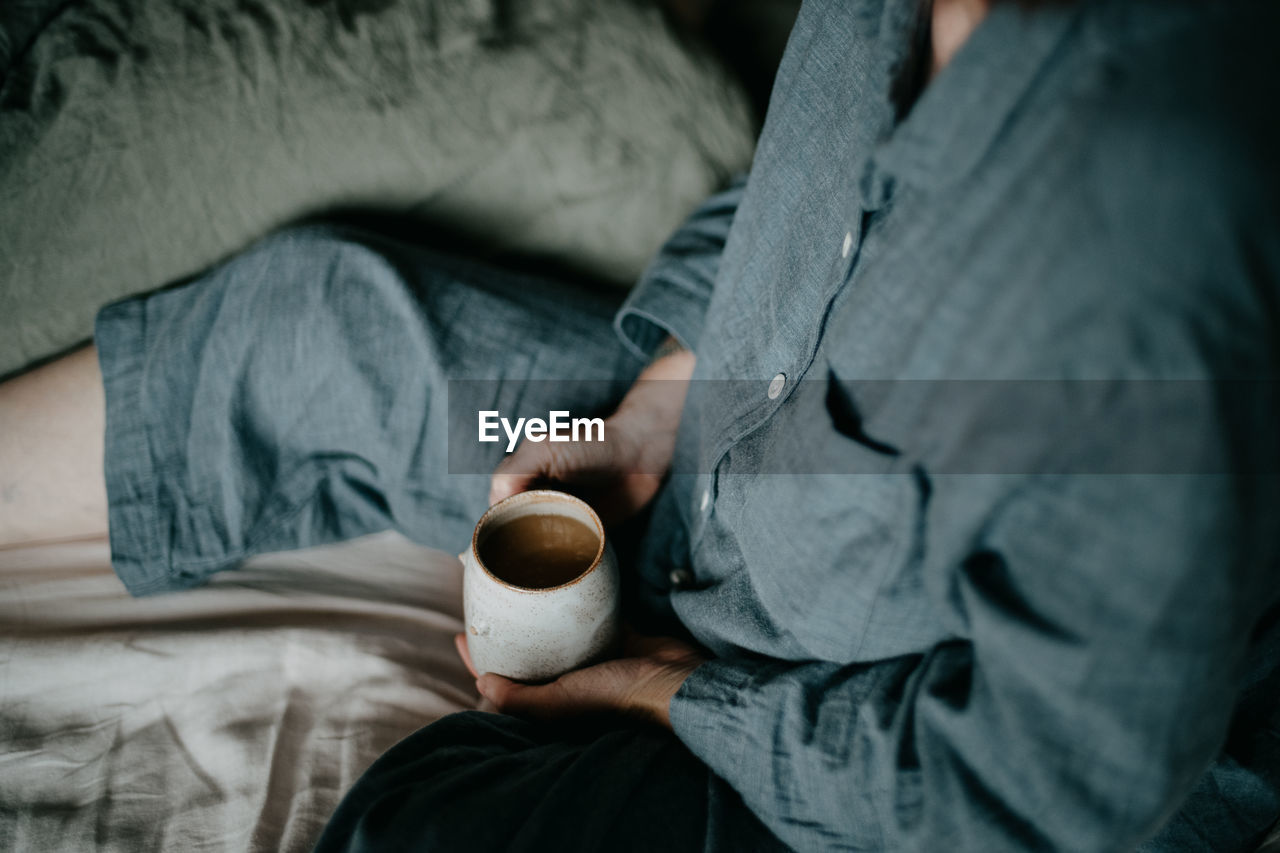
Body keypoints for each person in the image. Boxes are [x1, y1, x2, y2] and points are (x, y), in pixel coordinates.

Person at [2, 0, 1278, 849]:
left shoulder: (1162, 211)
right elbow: (792, 201)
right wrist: (655, 406)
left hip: (865, 708)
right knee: (312, 321)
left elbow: (1034, 788)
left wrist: (673, 697)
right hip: (702, 475)